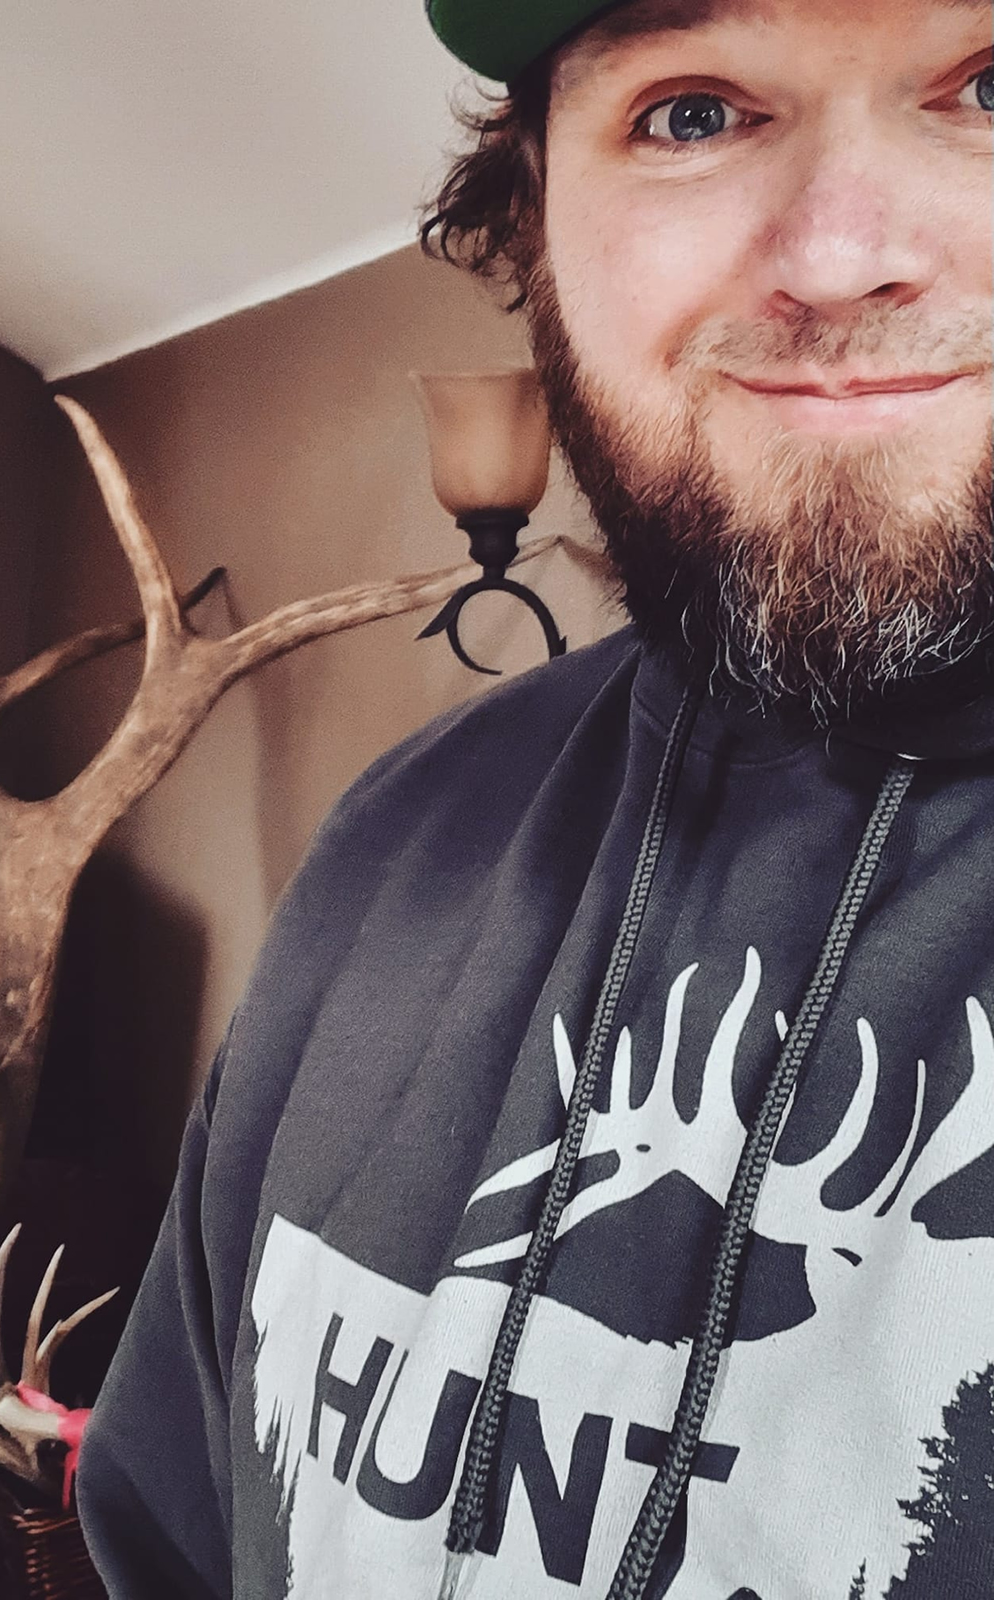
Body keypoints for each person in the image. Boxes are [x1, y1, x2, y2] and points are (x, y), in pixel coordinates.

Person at [78, 0, 994, 1593]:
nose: (842, 255)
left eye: (991, 85)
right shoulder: (398, 833)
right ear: (537, 217)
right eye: (693, 113)